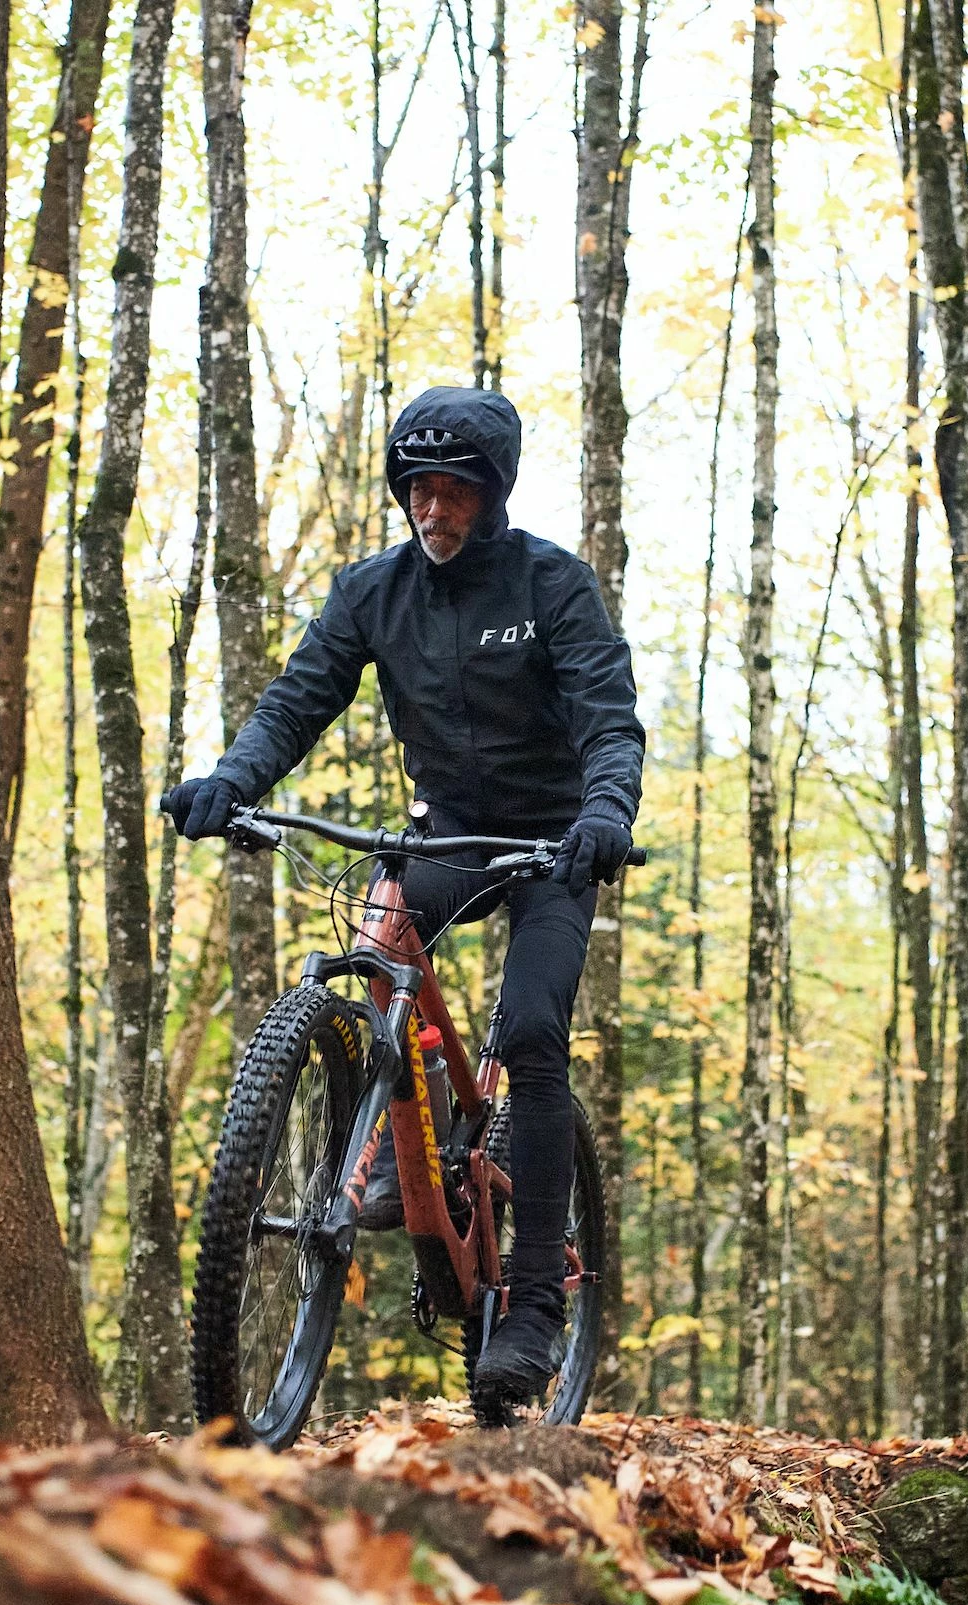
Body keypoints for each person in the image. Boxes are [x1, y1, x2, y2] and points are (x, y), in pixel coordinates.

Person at [161, 385, 644, 1423]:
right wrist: (232, 783)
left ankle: (529, 1304)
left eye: (454, 492)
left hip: (552, 840)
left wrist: (605, 809)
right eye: (418, 489)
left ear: (492, 494)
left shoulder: (552, 585)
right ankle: (386, 1125)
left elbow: (610, 716)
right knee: (378, 940)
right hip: (447, 829)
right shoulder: (373, 592)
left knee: (531, 1033)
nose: (433, 511)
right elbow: (299, 698)